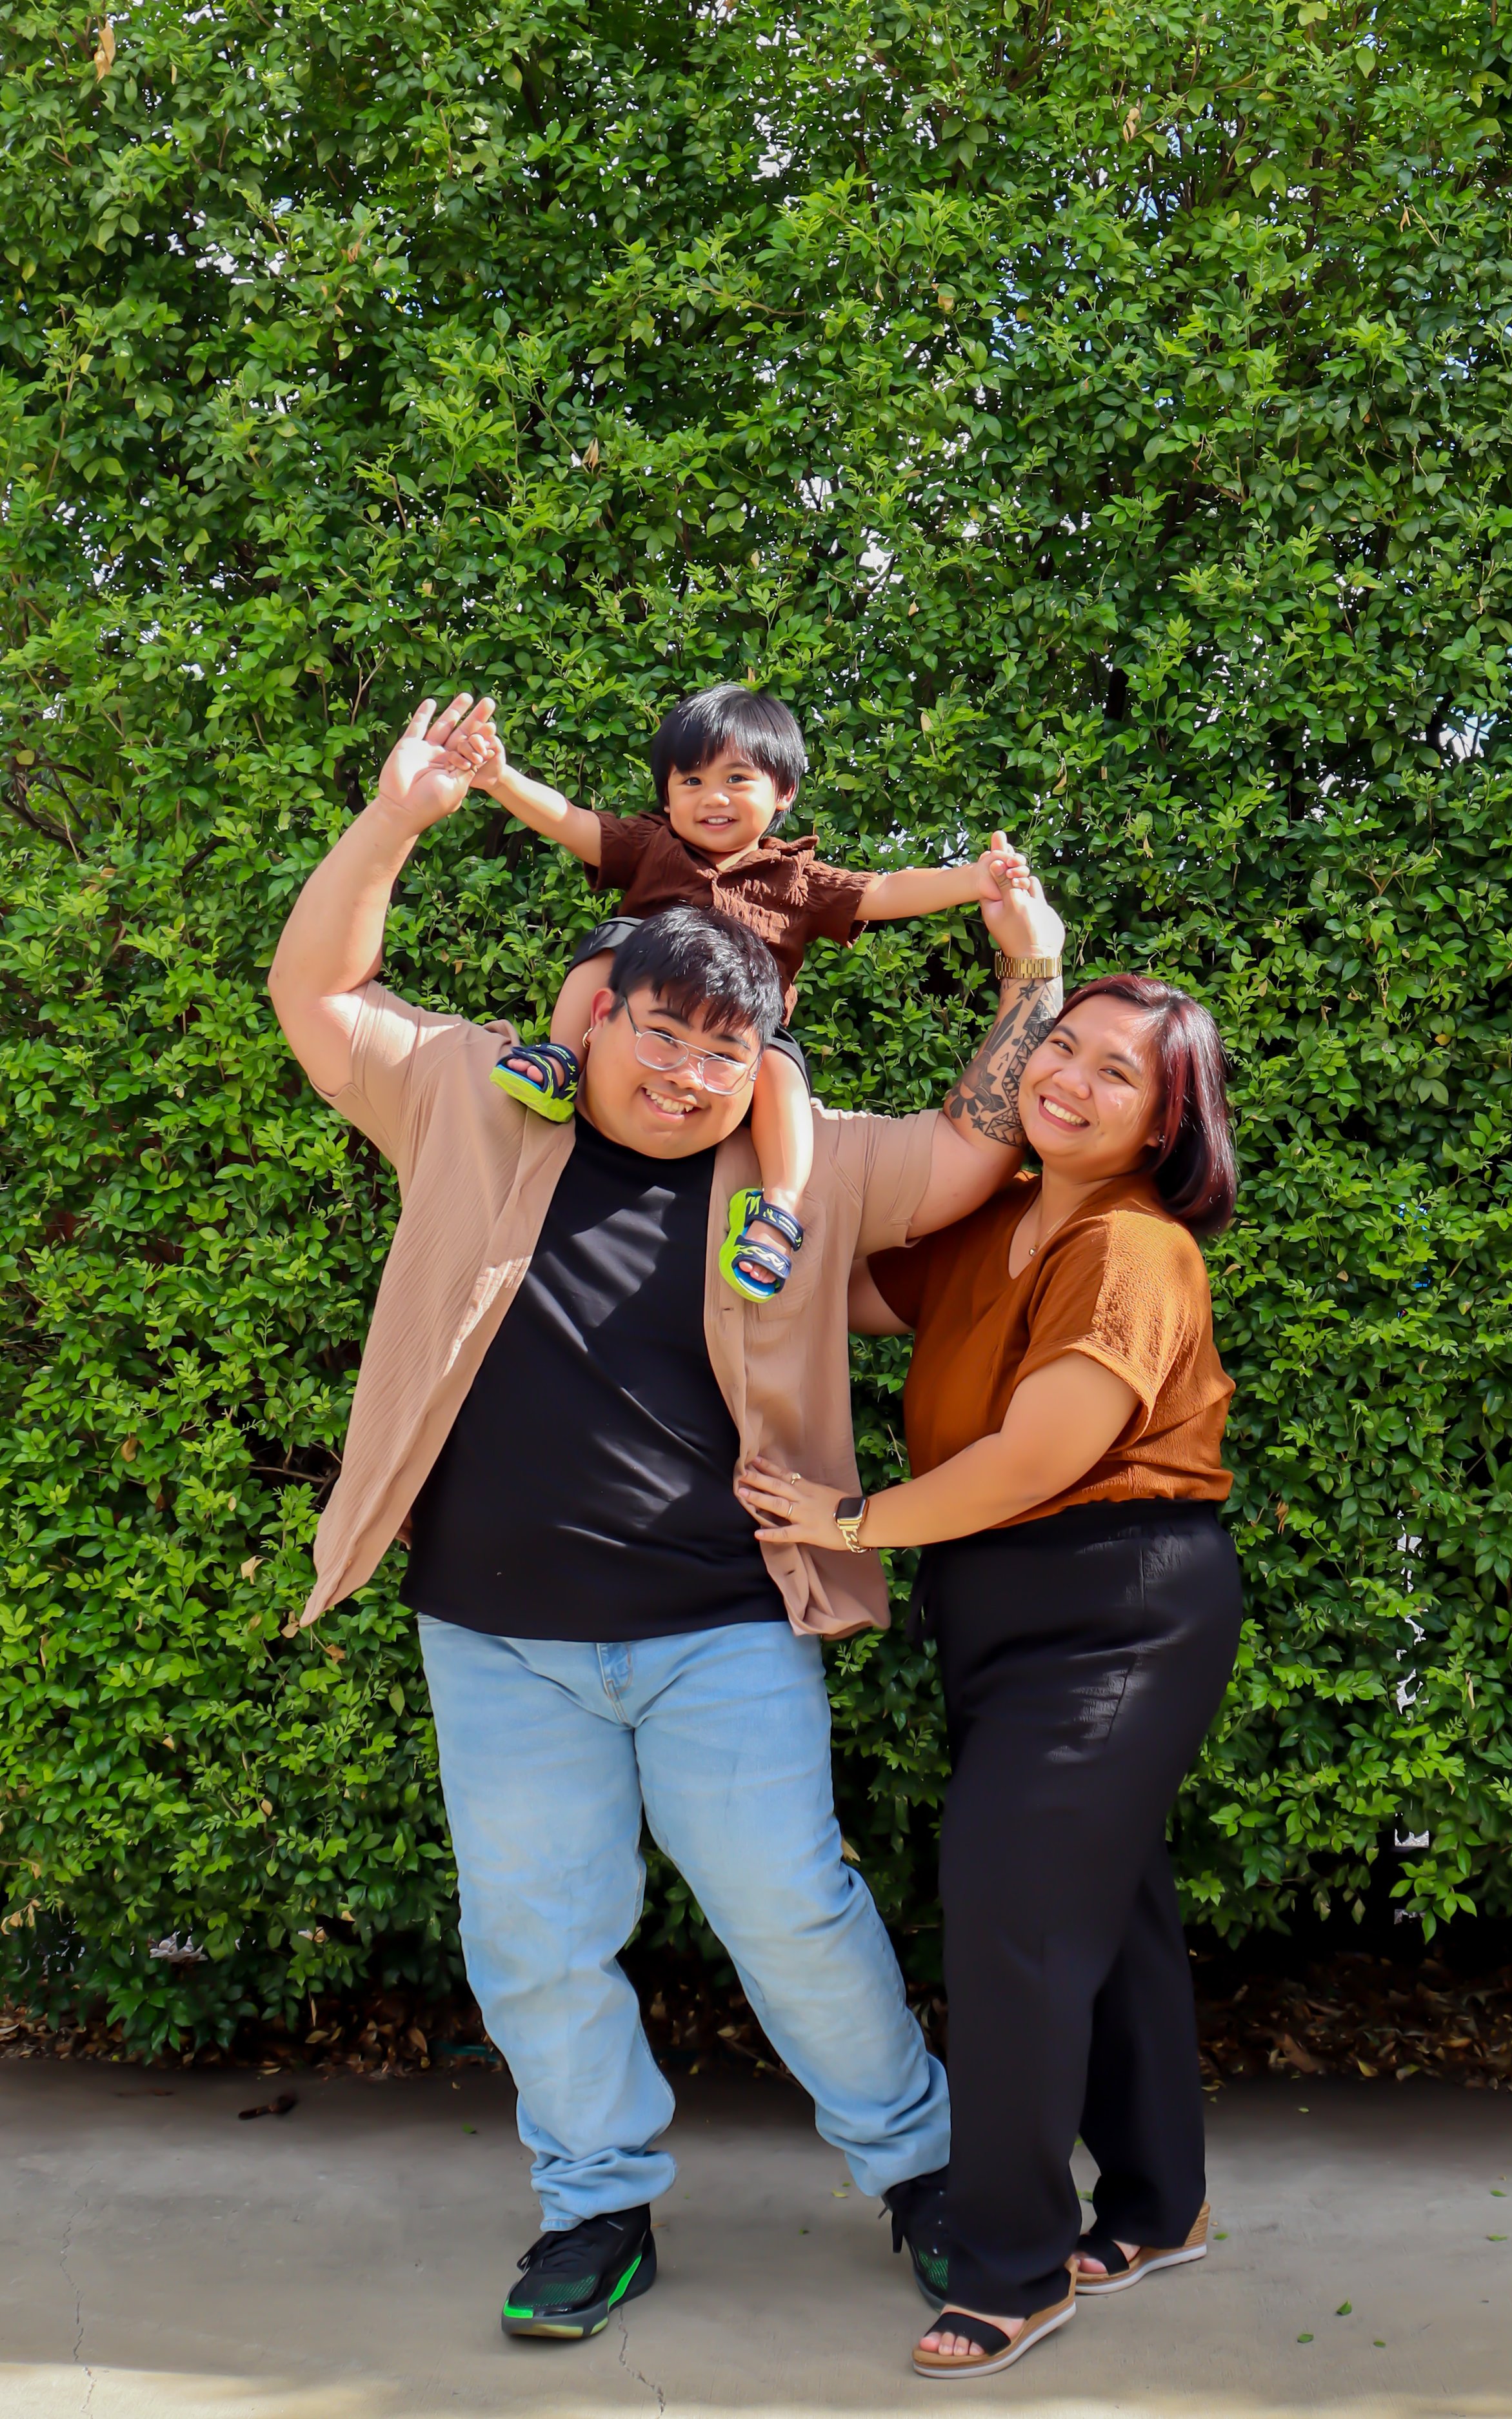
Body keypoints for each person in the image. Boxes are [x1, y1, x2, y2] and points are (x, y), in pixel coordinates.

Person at [265, 693, 1068, 2345]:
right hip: (494, 1628)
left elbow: (969, 1150)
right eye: (664, 1033)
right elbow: (320, 994)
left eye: (727, 1049)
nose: (692, 1071)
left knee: (790, 1901)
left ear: (759, 1056)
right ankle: (594, 2201)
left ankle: (922, 2166)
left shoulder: (809, 1168)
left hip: (720, 1623)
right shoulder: (477, 1098)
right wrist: (400, 815)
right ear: (600, 1007)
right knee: (536, 1931)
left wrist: (1028, 973)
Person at [739, 970, 1242, 2380]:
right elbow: (843, 1295)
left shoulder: (1135, 1251)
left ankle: (1014, 2265)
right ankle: (1157, 2205)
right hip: (1005, 1609)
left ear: (1163, 1126)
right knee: (1109, 1901)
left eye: (1114, 1076)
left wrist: (844, 1521)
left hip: (1121, 1603)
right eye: (1058, 1047)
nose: (1067, 1081)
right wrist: (759, 1181)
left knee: (1011, 1904)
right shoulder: (1000, 1222)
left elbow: (1038, 1455)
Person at [457, 682, 1028, 1300]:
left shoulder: (797, 879)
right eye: (691, 781)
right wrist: (500, 778)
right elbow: (572, 821)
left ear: (783, 792)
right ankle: (562, 1060)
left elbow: (885, 891)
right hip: (651, 1008)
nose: (713, 798)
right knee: (617, 940)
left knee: (781, 1065)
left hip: (741, 1035)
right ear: (667, 795)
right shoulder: (653, 845)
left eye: (737, 779)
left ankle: (778, 1211)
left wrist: (973, 879)